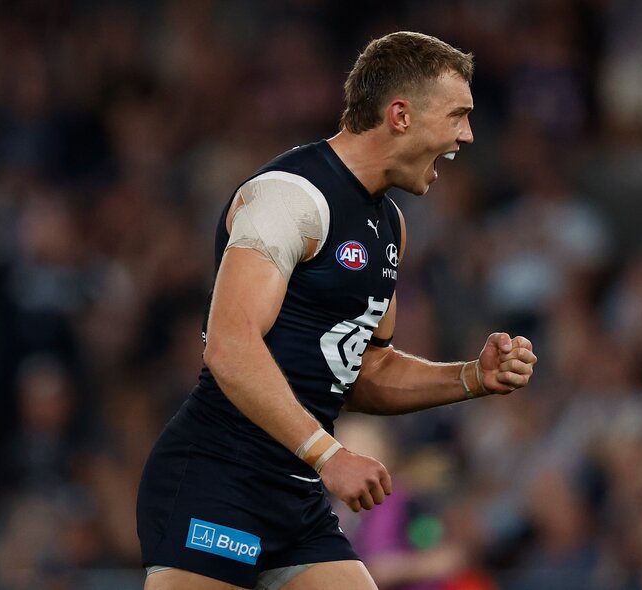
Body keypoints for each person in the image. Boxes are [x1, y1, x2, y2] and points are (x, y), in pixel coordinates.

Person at [136, 31, 538, 590]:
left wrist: (470, 377)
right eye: (458, 115)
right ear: (400, 115)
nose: (467, 135)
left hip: (296, 497)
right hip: (217, 478)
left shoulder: (389, 225)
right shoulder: (290, 197)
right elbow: (229, 344)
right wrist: (330, 454)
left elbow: (362, 369)